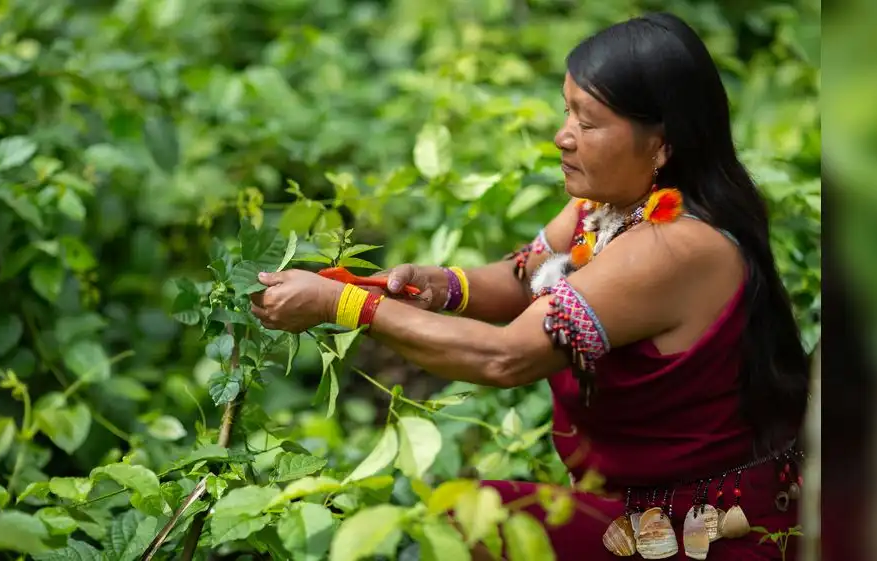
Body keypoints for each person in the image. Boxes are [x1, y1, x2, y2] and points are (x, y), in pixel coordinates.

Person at [249, 12, 810, 561]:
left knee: (465, 521)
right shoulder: (607, 208)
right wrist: (440, 284)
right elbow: (526, 278)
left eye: (588, 123)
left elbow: (502, 358)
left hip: (697, 528)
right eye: (567, 111)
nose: (563, 136)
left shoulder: (672, 246)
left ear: (661, 145)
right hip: (632, 503)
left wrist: (340, 303)